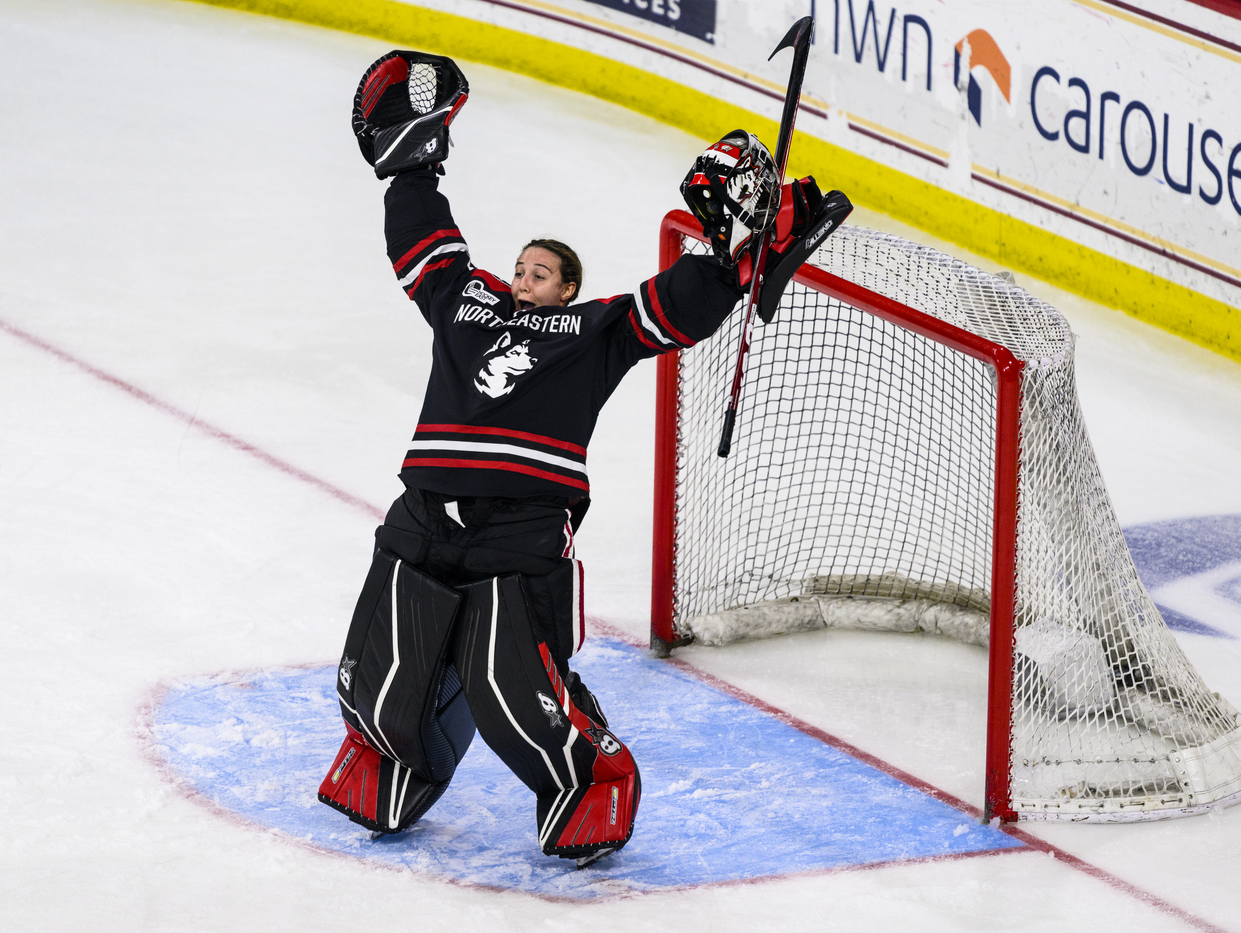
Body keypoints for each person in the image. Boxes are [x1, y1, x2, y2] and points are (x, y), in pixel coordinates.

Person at [317, 50, 847, 868]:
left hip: (519, 530)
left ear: (568, 288)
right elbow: (421, 237)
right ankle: (394, 756)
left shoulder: (591, 332)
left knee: (510, 687)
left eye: (544, 271)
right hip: (424, 512)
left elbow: (670, 308)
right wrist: (412, 166)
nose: (526, 276)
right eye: (520, 265)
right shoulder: (464, 301)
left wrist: (728, 259)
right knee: (381, 670)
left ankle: (588, 774)